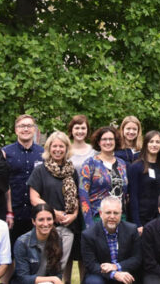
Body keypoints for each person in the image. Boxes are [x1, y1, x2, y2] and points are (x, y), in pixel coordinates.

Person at [28, 131, 79, 278]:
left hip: (67, 226)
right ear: (49, 148)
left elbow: (75, 197)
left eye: (61, 146)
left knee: (61, 266)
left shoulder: (72, 171)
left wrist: (74, 215)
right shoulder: (40, 170)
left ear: (67, 149)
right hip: (46, 226)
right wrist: (54, 213)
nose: (58, 149)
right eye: (54, 146)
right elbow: (34, 198)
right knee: (44, 265)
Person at [3, 114, 45, 250]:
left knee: (35, 253)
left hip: (36, 214)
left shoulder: (43, 154)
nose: (25, 129)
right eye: (22, 126)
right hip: (13, 212)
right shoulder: (5, 153)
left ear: (34, 130)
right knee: (10, 254)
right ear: (16, 130)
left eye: (29, 126)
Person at [81, 196, 142, 284]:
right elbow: (91, 265)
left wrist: (116, 267)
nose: (112, 216)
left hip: (124, 271)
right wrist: (114, 274)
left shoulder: (131, 230)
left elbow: (137, 258)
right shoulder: (88, 235)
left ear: (121, 213)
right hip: (99, 275)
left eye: (116, 213)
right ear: (101, 213)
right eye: (108, 212)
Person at [80, 126, 128, 228]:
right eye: (104, 139)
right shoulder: (90, 163)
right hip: (97, 217)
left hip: (119, 217)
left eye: (111, 139)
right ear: (98, 142)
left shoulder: (122, 164)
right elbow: (83, 194)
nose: (108, 142)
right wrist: (89, 223)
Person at [66, 114, 94, 280]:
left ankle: (84, 280)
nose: (80, 131)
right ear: (71, 130)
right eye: (77, 127)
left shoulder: (93, 151)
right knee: (67, 250)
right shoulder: (65, 149)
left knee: (84, 248)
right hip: (67, 204)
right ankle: (66, 280)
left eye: (83, 127)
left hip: (87, 204)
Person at [127, 130, 160, 233]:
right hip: (142, 221)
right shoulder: (136, 167)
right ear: (145, 144)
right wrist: (137, 223)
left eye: (157, 142)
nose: (154, 145)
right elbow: (133, 197)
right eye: (151, 142)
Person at [11, 204, 64, 284]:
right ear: (33, 221)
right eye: (41, 220)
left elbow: (57, 272)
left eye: (49, 219)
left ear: (53, 220)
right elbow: (23, 278)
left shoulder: (57, 239)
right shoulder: (22, 242)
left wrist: (54, 279)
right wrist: (53, 279)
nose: (45, 224)